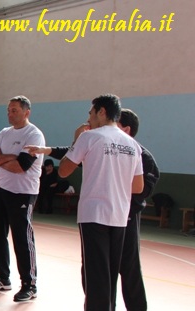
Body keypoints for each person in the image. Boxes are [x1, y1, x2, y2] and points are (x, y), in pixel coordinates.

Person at [26, 107, 156, 310]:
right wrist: (47, 150)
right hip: (102, 215)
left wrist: (117, 188)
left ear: (126, 129)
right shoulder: (100, 144)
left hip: (125, 216)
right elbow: (76, 157)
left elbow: (141, 188)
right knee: (94, 268)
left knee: (127, 267)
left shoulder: (139, 154)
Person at [58, 94, 143, 310]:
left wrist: (76, 141)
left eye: (90, 113)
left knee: (95, 276)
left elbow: (63, 171)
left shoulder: (90, 137)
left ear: (102, 111)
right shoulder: (133, 145)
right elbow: (138, 187)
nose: (89, 118)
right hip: (119, 217)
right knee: (111, 274)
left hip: (94, 215)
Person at [0, 95, 44, 302]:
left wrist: (0, 159)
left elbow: (21, 166)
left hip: (23, 192)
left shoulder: (34, 135)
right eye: (8, 110)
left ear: (27, 112)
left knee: (22, 238)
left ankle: (30, 284)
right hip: (2, 189)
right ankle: (2, 278)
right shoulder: (4, 133)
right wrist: (10, 157)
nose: (9, 113)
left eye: (14, 110)